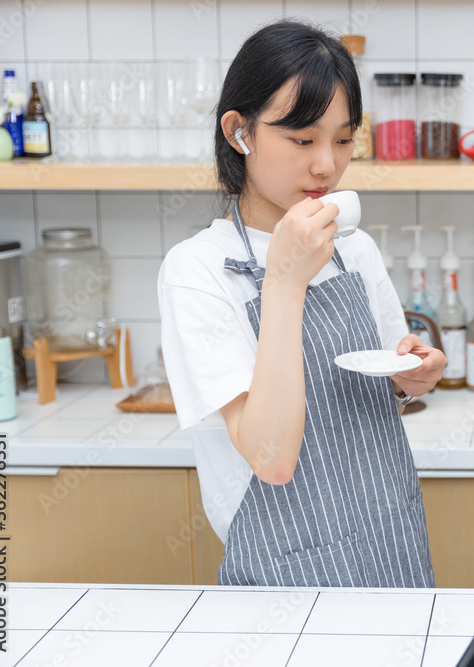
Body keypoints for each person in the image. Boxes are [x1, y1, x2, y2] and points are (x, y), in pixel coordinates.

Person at [157, 19, 445, 589]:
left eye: (343, 140)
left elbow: (385, 375)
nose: (326, 166)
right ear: (240, 132)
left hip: (391, 543)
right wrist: (284, 283)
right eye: (302, 139)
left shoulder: (355, 248)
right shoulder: (196, 271)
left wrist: (414, 376)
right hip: (283, 569)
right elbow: (271, 458)